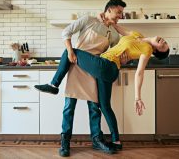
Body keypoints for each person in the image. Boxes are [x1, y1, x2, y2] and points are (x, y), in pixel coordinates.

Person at [35, 30, 170, 152]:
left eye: (163, 47)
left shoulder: (146, 49)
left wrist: (137, 97)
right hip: (107, 69)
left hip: (106, 66)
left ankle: (54, 85)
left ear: (156, 51)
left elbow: (140, 73)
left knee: (70, 51)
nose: (163, 42)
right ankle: (116, 141)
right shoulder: (137, 35)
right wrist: (107, 19)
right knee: (104, 106)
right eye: (165, 42)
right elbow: (119, 28)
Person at [36, 0, 127, 157]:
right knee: (69, 107)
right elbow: (66, 32)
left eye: (122, 13)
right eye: (119, 12)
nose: (121, 16)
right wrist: (70, 51)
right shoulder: (88, 20)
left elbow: (114, 53)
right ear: (109, 9)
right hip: (76, 64)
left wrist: (123, 57)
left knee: (94, 108)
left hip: (94, 69)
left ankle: (97, 140)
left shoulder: (113, 33)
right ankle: (65, 142)